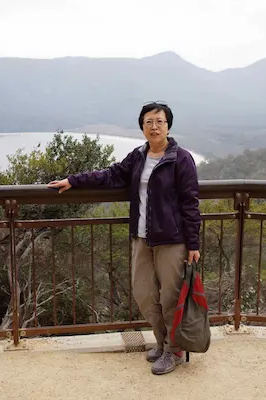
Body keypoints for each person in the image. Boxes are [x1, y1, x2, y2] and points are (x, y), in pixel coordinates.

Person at [47, 101, 201, 375]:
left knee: (170, 297)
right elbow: (111, 174)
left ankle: (173, 350)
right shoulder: (139, 156)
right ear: (142, 126)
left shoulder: (181, 159)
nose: (154, 127)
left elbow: (190, 203)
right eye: (148, 122)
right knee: (144, 294)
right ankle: (163, 341)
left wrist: (193, 244)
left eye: (159, 122)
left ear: (168, 126)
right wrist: (74, 181)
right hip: (142, 237)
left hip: (172, 240)